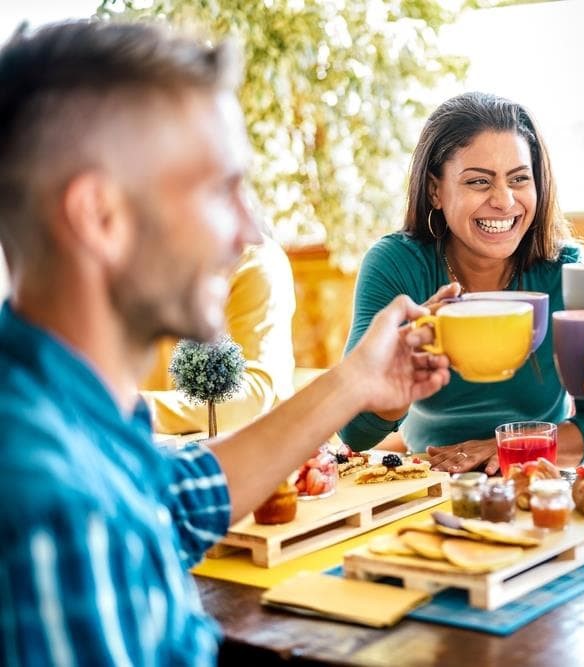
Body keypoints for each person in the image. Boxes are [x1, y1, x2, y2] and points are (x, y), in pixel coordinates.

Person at [0, 20, 449, 665]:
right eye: (221, 191)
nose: (250, 232)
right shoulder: (53, 504)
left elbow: (185, 497)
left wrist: (356, 381)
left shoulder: (68, 411)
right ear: (100, 217)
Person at [338, 91, 584, 474]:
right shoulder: (397, 264)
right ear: (435, 191)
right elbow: (354, 433)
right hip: (428, 483)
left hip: (537, 483)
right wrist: (400, 370)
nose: (505, 200)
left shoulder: (571, 272)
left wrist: (509, 448)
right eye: (479, 182)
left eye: (519, 179)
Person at [142, 233, 297, 434]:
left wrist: (131, 411)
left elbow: (254, 396)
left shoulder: (256, 260)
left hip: (246, 453)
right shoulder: (128, 258)